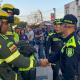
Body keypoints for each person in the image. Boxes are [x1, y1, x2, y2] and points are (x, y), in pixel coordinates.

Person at [40, 14, 80, 80]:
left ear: (66, 26)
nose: (59, 27)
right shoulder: (68, 39)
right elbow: (60, 51)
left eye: (61, 25)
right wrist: (48, 60)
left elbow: (70, 74)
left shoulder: (71, 46)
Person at [0, 10, 35, 80]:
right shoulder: (2, 40)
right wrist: (37, 62)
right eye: (7, 23)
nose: (8, 26)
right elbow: (18, 60)